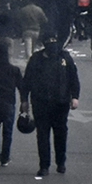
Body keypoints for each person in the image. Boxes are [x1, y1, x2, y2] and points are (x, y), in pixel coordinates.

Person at [21, 30, 81, 176]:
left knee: (60, 134)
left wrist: (75, 97)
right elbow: (27, 81)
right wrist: (24, 100)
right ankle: (44, 165)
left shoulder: (65, 58)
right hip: (41, 102)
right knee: (42, 135)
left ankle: (60, 163)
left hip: (60, 102)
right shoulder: (36, 59)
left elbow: (73, 77)